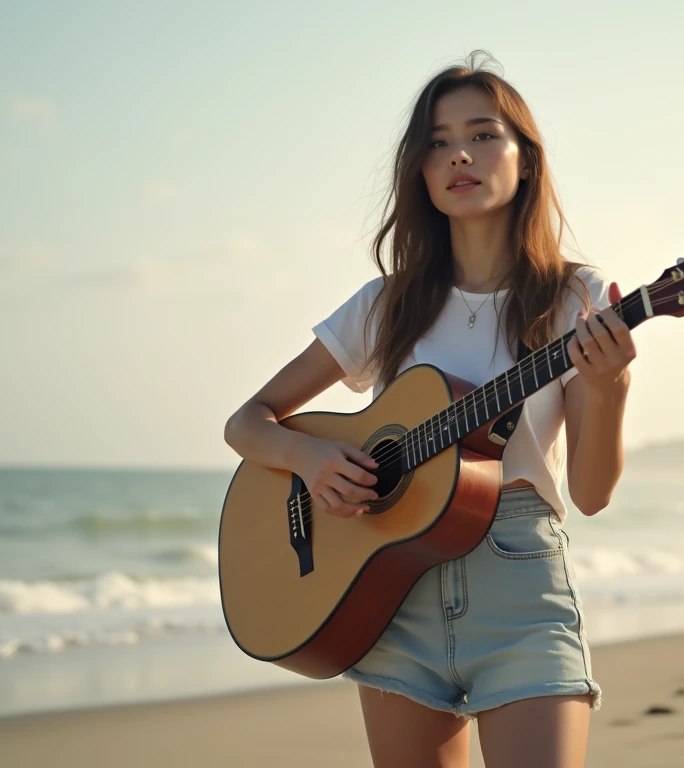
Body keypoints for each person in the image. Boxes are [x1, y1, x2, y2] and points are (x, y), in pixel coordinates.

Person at [223, 50, 636, 768]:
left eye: (482, 134)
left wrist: (610, 387)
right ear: (419, 169)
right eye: (438, 142)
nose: (460, 156)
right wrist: (312, 456)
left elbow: (593, 496)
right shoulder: (387, 304)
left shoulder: (577, 299)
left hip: (520, 582)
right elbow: (248, 421)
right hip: (391, 592)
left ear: (525, 159)